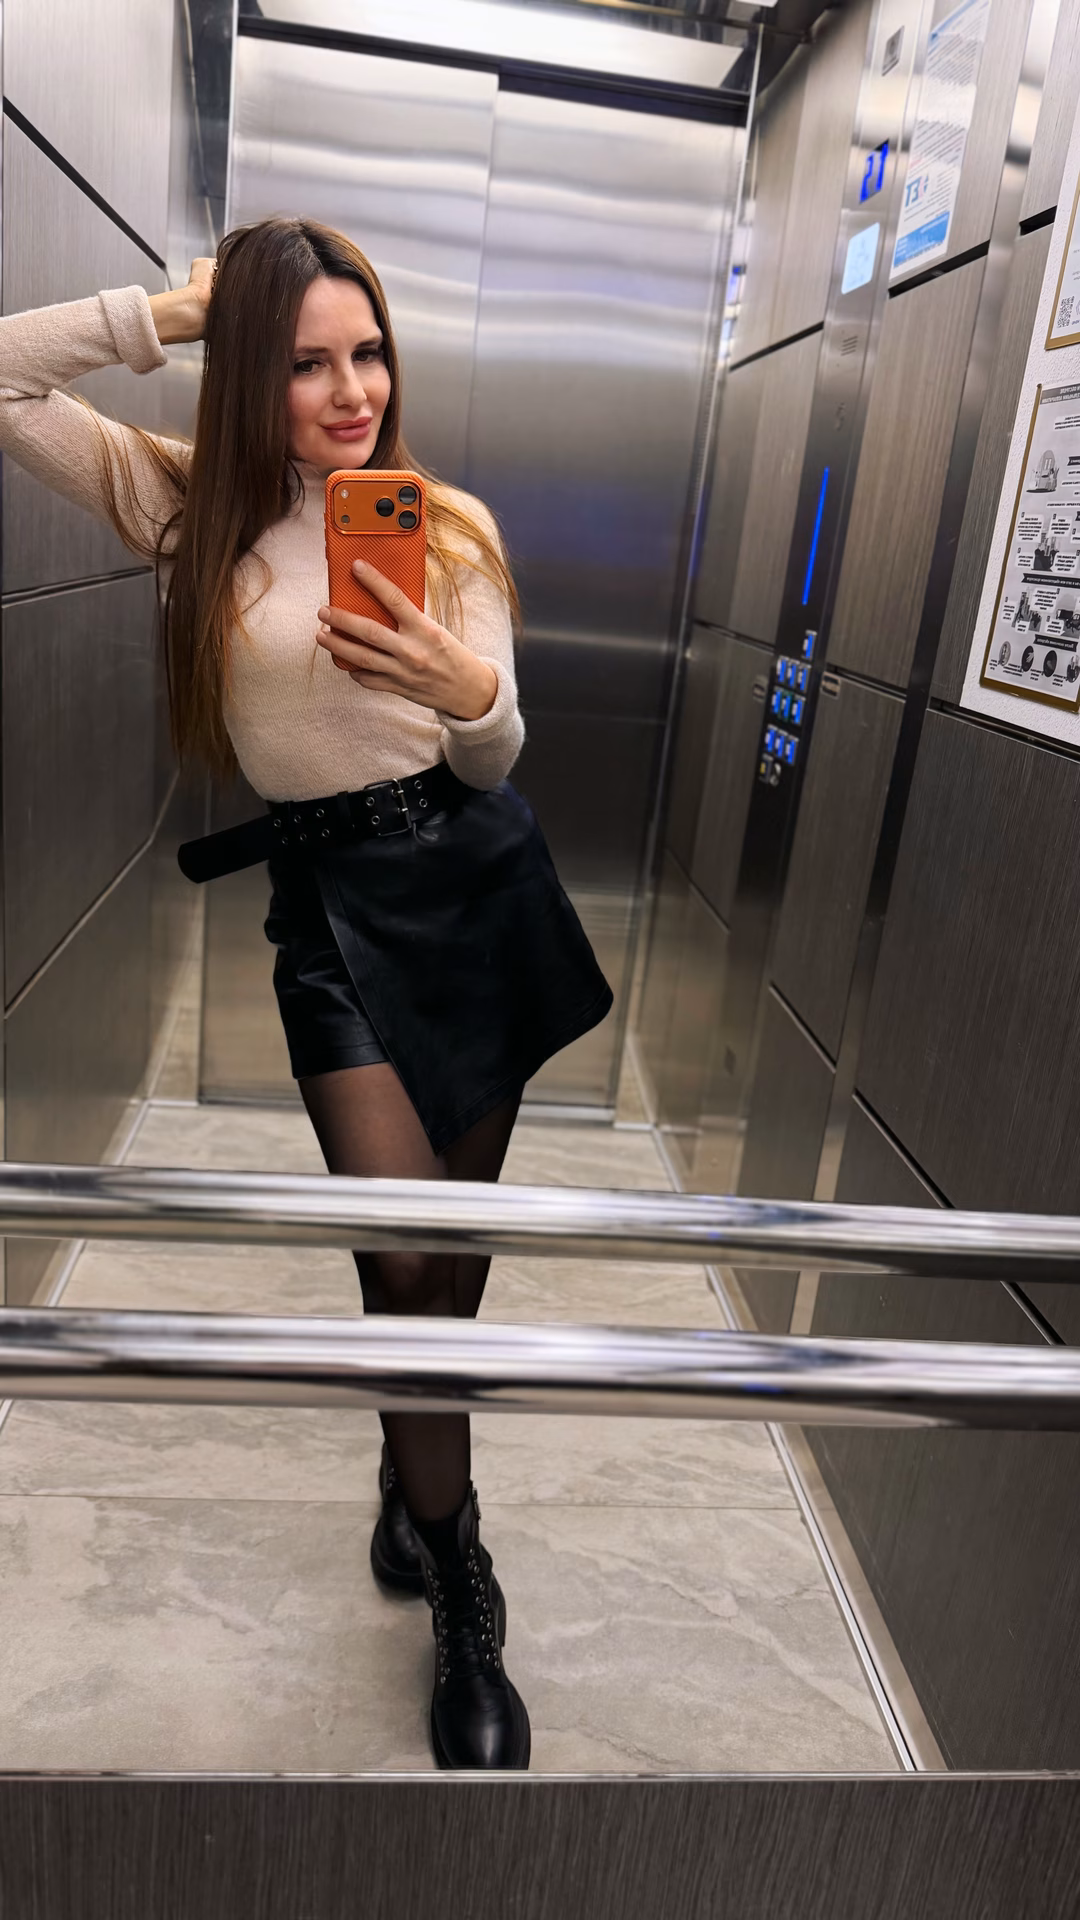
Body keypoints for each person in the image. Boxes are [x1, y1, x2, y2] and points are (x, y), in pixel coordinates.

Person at [0, 216, 613, 1771]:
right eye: (305, 362)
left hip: (476, 889)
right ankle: (462, 1574)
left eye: (370, 353)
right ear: (243, 373)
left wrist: (469, 695)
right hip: (331, 920)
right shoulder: (183, 507)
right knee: (400, 1255)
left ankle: (415, 1491)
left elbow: (496, 752)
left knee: (445, 1268)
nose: (353, 392)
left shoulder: (445, 524)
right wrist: (164, 314)